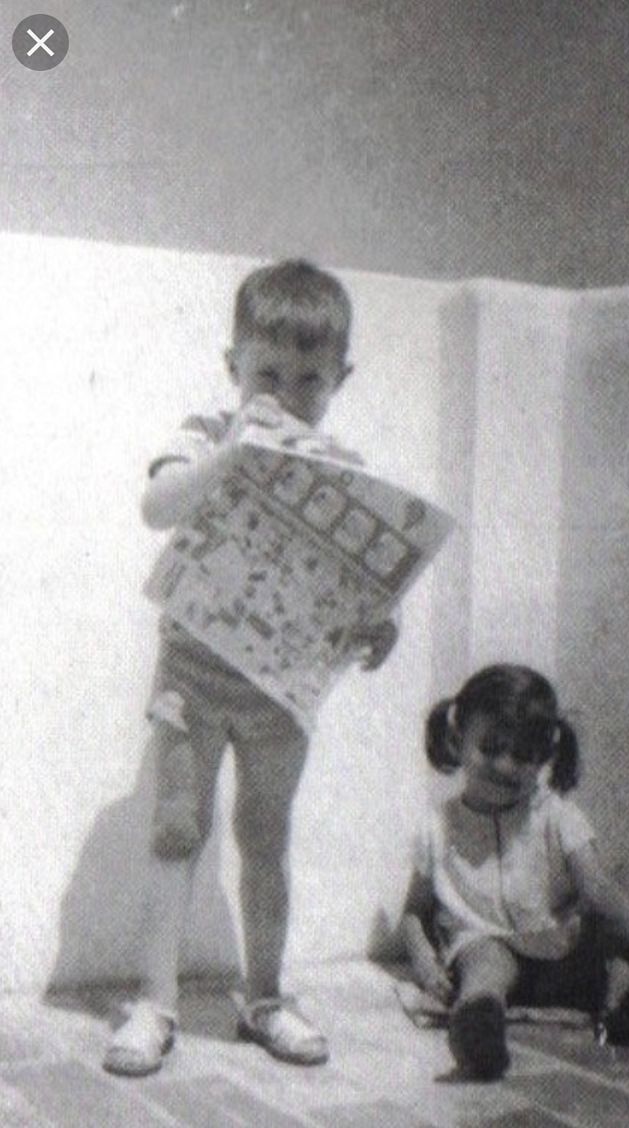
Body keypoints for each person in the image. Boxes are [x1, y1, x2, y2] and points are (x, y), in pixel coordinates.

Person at [104, 260, 397, 1077]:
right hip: (195, 671)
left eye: (310, 380)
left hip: (279, 685)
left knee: (266, 838)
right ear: (233, 366)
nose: (285, 394)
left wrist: (381, 626)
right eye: (267, 373)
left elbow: (362, 583)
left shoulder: (341, 465)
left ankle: (265, 995)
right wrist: (228, 457)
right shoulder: (206, 432)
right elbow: (157, 506)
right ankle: (153, 1001)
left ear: (340, 380)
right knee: (176, 831)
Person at [400, 664, 629, 1081]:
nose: (506, 766)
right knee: (483, 957)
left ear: (544, 758)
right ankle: (479, 1022)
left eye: (524, 755)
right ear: (458, 740)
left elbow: (597, 890)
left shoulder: (556, 816)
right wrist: (424, 962)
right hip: (496, 954)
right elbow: (413, 912)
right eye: (491, 748)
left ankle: (622, 1004)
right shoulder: (438, 826)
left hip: (567, 955)